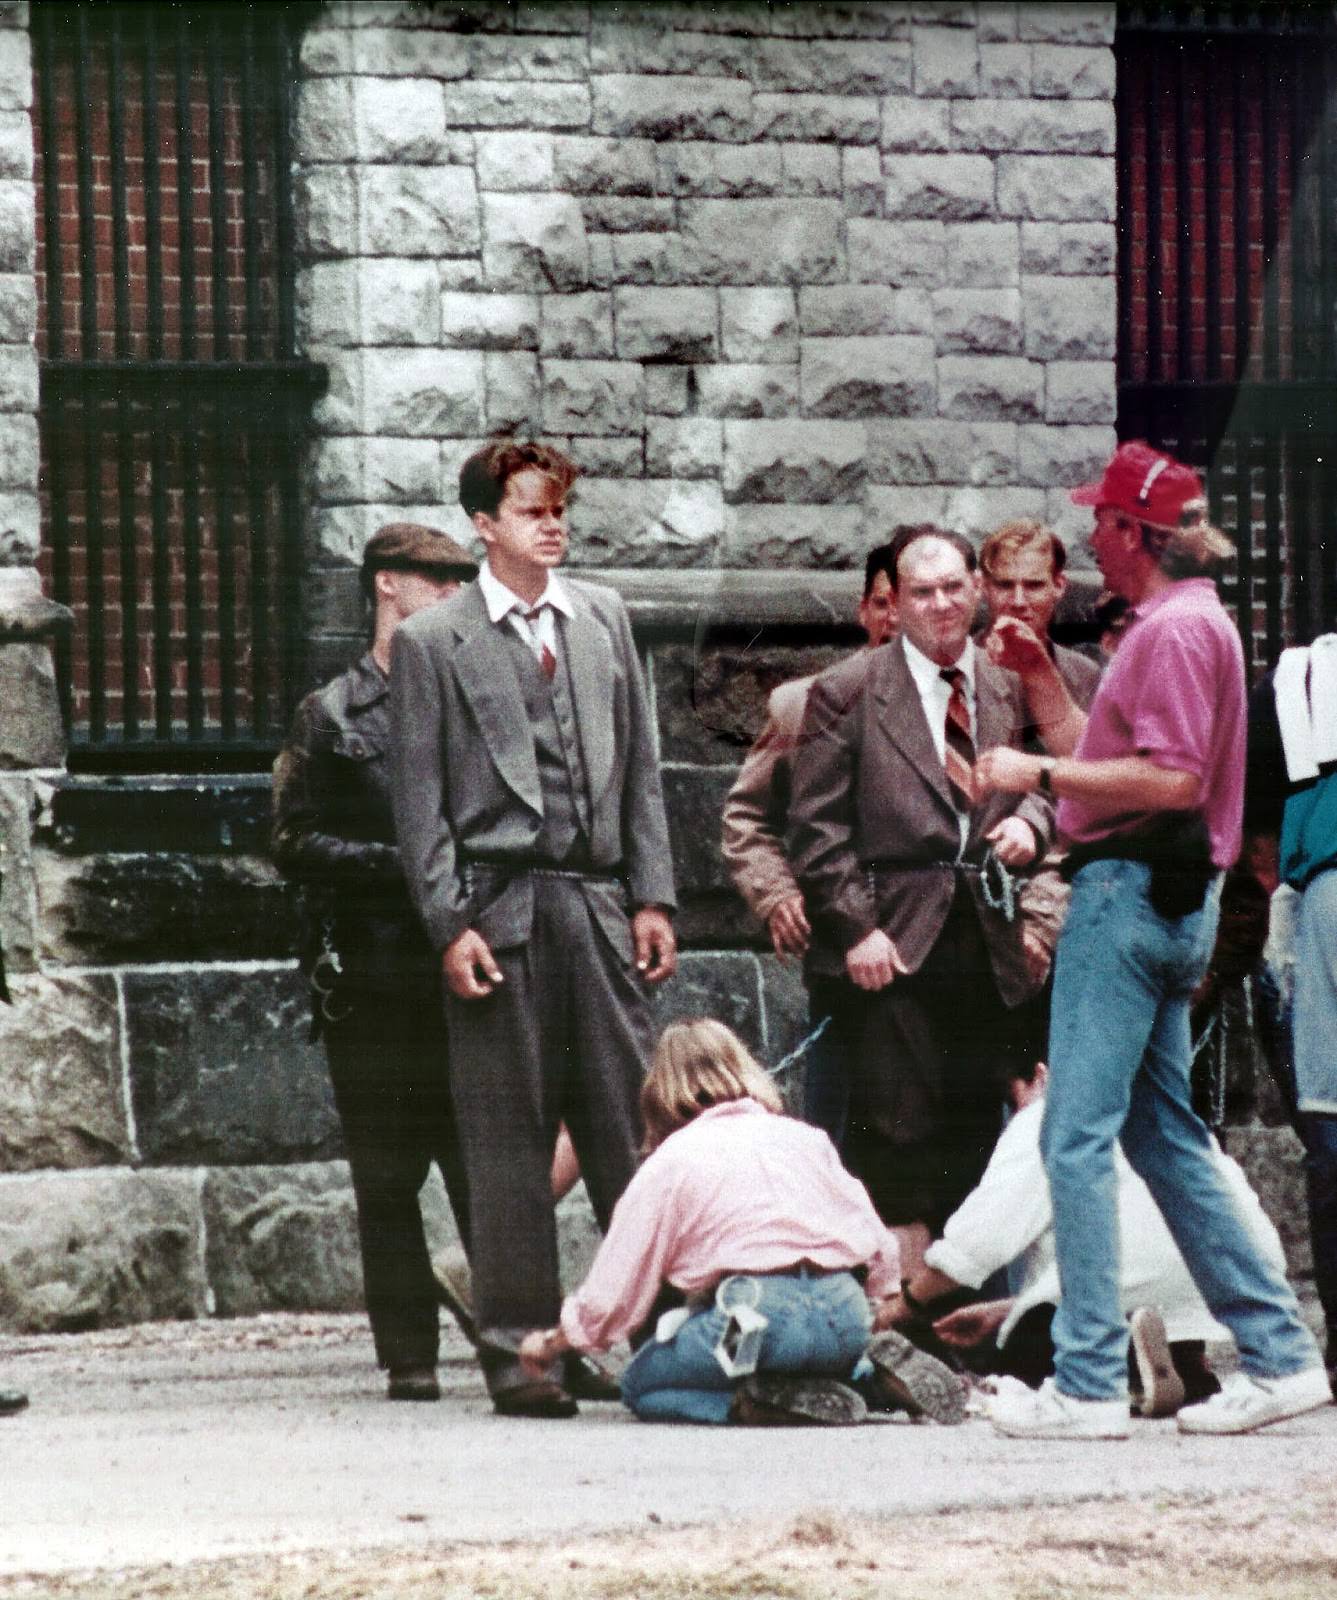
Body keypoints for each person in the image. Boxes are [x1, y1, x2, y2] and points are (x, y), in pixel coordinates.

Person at [975, 440, 1329, 1438]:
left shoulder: (1170, 634)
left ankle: (1085, 1381)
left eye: (1098, 521)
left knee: (1071, 1136)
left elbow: (1165, 782)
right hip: (1177, 904)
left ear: (1134, 534)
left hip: (1125, 899)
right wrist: (1042, 678)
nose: (1086, 532)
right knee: (1162, 1136)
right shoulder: (1188, 624)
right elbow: (1110, 757)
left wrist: (1025, 773)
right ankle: (1279, 1354)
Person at [390, 438, 678, 1418]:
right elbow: (418, 805)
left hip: (597, 902)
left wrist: (652, 896)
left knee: (627, 1123)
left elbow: (641, 771)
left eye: (558, 509)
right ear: (483, 522)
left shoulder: (600, 618)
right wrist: (447, 926)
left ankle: (638, 1332)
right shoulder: (438, 641)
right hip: (498, 910)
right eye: (528, 509)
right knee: (505, 1135)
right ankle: (517, 1348)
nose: (549, 525)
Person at [788, 526, 1055, 1276]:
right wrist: (855, 928)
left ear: (976, 588)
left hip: (989, 946)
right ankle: (902, 1323)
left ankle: (966, 1321)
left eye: (951, 588)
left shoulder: (1011, 680)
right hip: (893, 946)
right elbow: (814, 829)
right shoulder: (846, 691)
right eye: (921, 592)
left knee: (979, 1135)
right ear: (895, 603)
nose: (939, 606)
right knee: (897, 1140)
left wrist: (1029, 826)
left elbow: (1050, 780)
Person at [271, 523, 480, 1402]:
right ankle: (410, 1356)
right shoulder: (331, 712)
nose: (453, 595)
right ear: (389, 585)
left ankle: (519, 1335)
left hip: (463, 962)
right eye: (438, 579)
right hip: (372, 969)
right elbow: (289, 839)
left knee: (485, 1163)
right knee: (387, 1175)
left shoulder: (474, 698)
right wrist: (400, 867)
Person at [517, 1019, 966, 1427]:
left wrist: (555, 1343)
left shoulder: (670, 1162)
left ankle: (753, 1403)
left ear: (659, 1093)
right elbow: (877, 1240)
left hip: (754, 1313)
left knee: (641, 1383)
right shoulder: (806, 1139)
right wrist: (881, 1302)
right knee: (815, 1347)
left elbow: (615, 1287)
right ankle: (869, 1375)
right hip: (843, 1311)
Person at [885, 1062, 1288, 1416]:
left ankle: (1125, 1365)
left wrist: (903, 1307)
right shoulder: (1159, 1110)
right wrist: (1010, 1308)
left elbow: (975, 1247)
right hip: (1228, 1279)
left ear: (1041, 1075)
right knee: (1062, 1309)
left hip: (1124, 1292)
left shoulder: (1045, 1116)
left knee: (1019, 1362)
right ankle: (1181, 1362)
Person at [720, 541, 897, 1146]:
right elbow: (748, 814)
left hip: (940, 955)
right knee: (834, 1127)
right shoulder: (805, 704)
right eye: (884, 603)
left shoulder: (973, 701)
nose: (897, 618)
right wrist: (775, 892)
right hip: (839, 959)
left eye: (913, 600)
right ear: (864, 611)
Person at [1244, 633, 1337, 1396]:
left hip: (1321, 894)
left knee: (1329, 1122)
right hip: (1319, 891)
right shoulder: (1299, 677)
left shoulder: (1301, 675)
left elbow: (1258, 831)